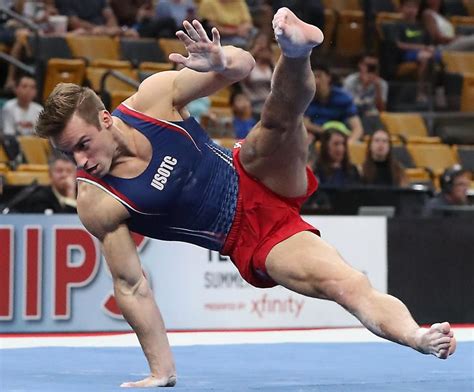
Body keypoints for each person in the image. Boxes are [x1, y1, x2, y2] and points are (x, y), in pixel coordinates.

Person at [36, 9, 456, 388]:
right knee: (345, 285)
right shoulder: (97, 200)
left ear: (106, 119)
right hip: (254, 238)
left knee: (275, 123)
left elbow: (245, 65)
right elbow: (131, 286)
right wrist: (161, 371)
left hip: (253, 170)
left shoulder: (152, 99)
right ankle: (417, 336)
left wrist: (220, 62)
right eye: (68, 153)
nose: (80, 161)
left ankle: (295, 51)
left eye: (84, 144)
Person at [304, 64, 364, 143]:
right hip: (316, 138)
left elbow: (358, 128)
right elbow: (305, 123)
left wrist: (349, 143)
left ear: (329, 78)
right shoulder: (306, 98)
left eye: (319, 76)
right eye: (313, 77)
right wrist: (326, 132)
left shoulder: (344, 97)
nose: (316, 81)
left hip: (340, 139)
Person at [396, 0, 439, 102]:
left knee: (437, 56)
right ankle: (420, 92)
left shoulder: (422, 26)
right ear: (401, 9)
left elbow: (429, 44)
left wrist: (430, 48)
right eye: (408, 7)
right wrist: (421, 48)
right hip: (405, 55)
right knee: (425, 57)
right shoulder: (397, 25)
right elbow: (399, 45)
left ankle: (437, 92)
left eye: (414, 7)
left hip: (423, 53)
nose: (411, 10)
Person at [314, 122, 361, 187]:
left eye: (343, 144)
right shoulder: (317, 170)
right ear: (326, 146)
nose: (341, 148)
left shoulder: (352, 170)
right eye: (336, 144)